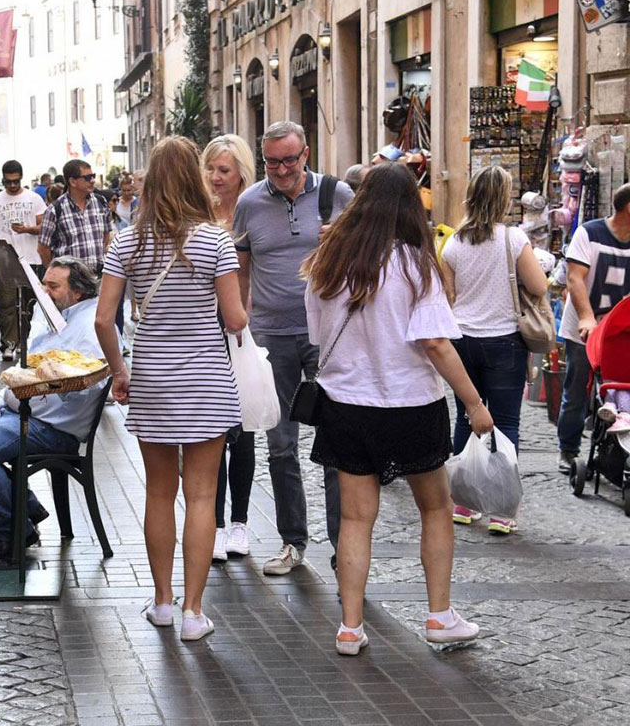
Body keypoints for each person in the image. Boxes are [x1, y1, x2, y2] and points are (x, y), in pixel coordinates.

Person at [302, 163, 492, 655]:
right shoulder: (415, 264)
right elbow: (436, 343)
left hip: (346, 405)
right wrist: (473, 402)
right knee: (437, 508)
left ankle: (349, 627)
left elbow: (317, 335)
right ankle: (439, 615)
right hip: (410, 404)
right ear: (410, 207)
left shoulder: (327, 261)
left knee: (355, 519)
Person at [95, 136, 248, 642]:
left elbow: (103, 320)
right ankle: (193, 613)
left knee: (159, 492)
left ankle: (162, 602)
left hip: (153, 377)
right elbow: (235, 319)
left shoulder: (127, 242)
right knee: (202, 495)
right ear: (196, 179)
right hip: (205, 379)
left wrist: (120, 371)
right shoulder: (215, 242)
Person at [232, 120, 353, 576]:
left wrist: (341, 243)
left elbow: (369, 256)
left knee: (337, 445)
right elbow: (241, 269)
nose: (281, 170)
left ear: (306, 154)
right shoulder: (249, 203)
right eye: (272, 162)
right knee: (280, 445)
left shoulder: (337, 195)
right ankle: (292, 542)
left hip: (329, 335)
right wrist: (239, 326)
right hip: (271, 337)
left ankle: (345, 548)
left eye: (289, 160)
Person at [0, 257, 113, 559]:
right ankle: (27, 508)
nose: (44, 292)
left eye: (53, 286)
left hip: (52, 428)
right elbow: (26, 371)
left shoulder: (89, 326)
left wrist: (50, 380)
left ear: (77, 292)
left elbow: (85, 386)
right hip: (22, 413)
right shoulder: (57, 317)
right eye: (43, 284)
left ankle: (14, 533)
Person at [440, 166, 549, 533]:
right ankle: (502, 512)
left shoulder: (454, 243)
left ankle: (463, 503)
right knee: (506, 423)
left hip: (462, 341)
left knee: (466, 418)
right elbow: (539, 286)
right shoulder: (513, 239)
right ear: (503, 199)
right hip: (504, 341)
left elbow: (450, 295)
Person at [203, 134, 258, 562]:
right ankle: (216, 525)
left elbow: (255, 275)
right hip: (205, 333)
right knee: (211, 433)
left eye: (224, 169)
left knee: (244, 431)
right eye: (210, 168)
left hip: (243, 330)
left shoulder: (253, 212)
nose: (216, 177)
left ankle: (239, 522)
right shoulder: (198, 215)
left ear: (241, 172)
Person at [556, 182, 630, 472]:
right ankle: (568, 450)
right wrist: (587, 317)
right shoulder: (589, 233)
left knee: (621, 389)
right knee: (577, 388)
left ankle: (618, 450)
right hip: (584, 329)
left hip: (620, 333)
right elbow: (575, 278)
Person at [0, 160, 47, 361]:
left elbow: (44, 227)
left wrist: (27, 229)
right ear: (3, 180)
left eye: (16, 181)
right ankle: (9, 344)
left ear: (21, 178)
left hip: (31, 257)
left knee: (29, 303)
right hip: (4, 258)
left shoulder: (34, 199)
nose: (12, 185)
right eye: (8, 182)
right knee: (6, 303)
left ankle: (25, 341)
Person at [38, 158, 112, 274]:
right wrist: (56, 274)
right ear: (73, 182)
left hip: (98, 275)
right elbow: (43, 249)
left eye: (93, 176)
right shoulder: (55, 210)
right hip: (70, 279)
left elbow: (105, 237)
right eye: (87, 177)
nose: (92, 181)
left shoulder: (100, 202)